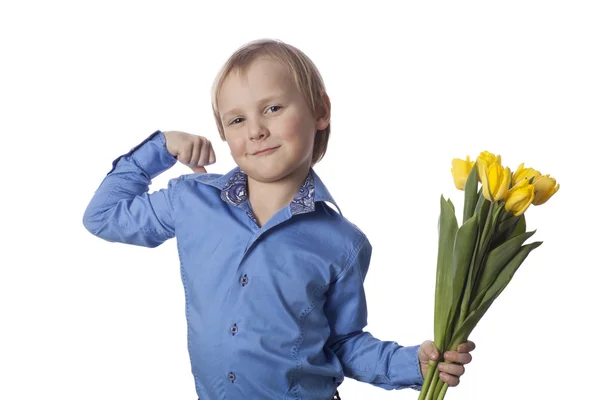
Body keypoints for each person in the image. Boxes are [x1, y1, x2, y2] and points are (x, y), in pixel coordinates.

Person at [83, 38, 475, 400]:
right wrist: (161, 147)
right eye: (236, 120)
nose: (255, 130)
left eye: (272, 108)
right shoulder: (191, 201)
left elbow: (341, 343)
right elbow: (103, 216)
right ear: (223, 132)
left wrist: (413, 364)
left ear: (319, 111)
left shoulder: (342, 243)